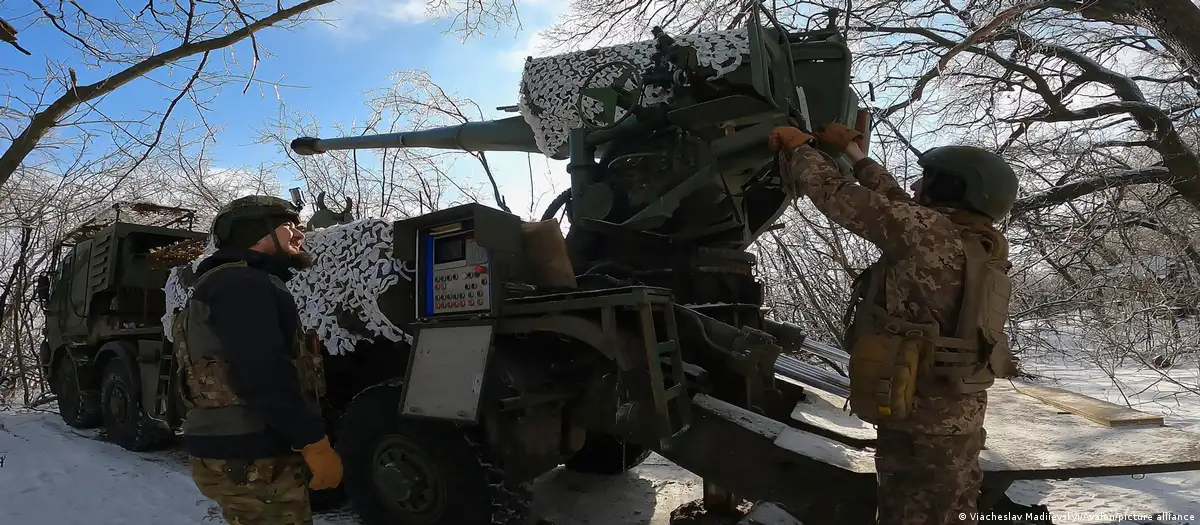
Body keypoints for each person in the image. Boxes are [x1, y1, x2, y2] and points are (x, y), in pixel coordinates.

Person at [767, 124, 1019, 525]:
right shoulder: (974, 241)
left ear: (952, 188)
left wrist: (801, 149)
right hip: (955, 414)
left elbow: (835, 194)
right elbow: (897, 203)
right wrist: (855, 154)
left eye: (928, 179)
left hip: (919, 420)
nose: (916, 185)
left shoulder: (924, 231)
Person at [172, 195, 343, 525]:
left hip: (237, 448)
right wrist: (311, 441)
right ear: (255, 232)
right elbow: (261, 370)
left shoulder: (226, 282)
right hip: (252, 453)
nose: (300, 233)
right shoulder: (243, 283)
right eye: (288, 225)